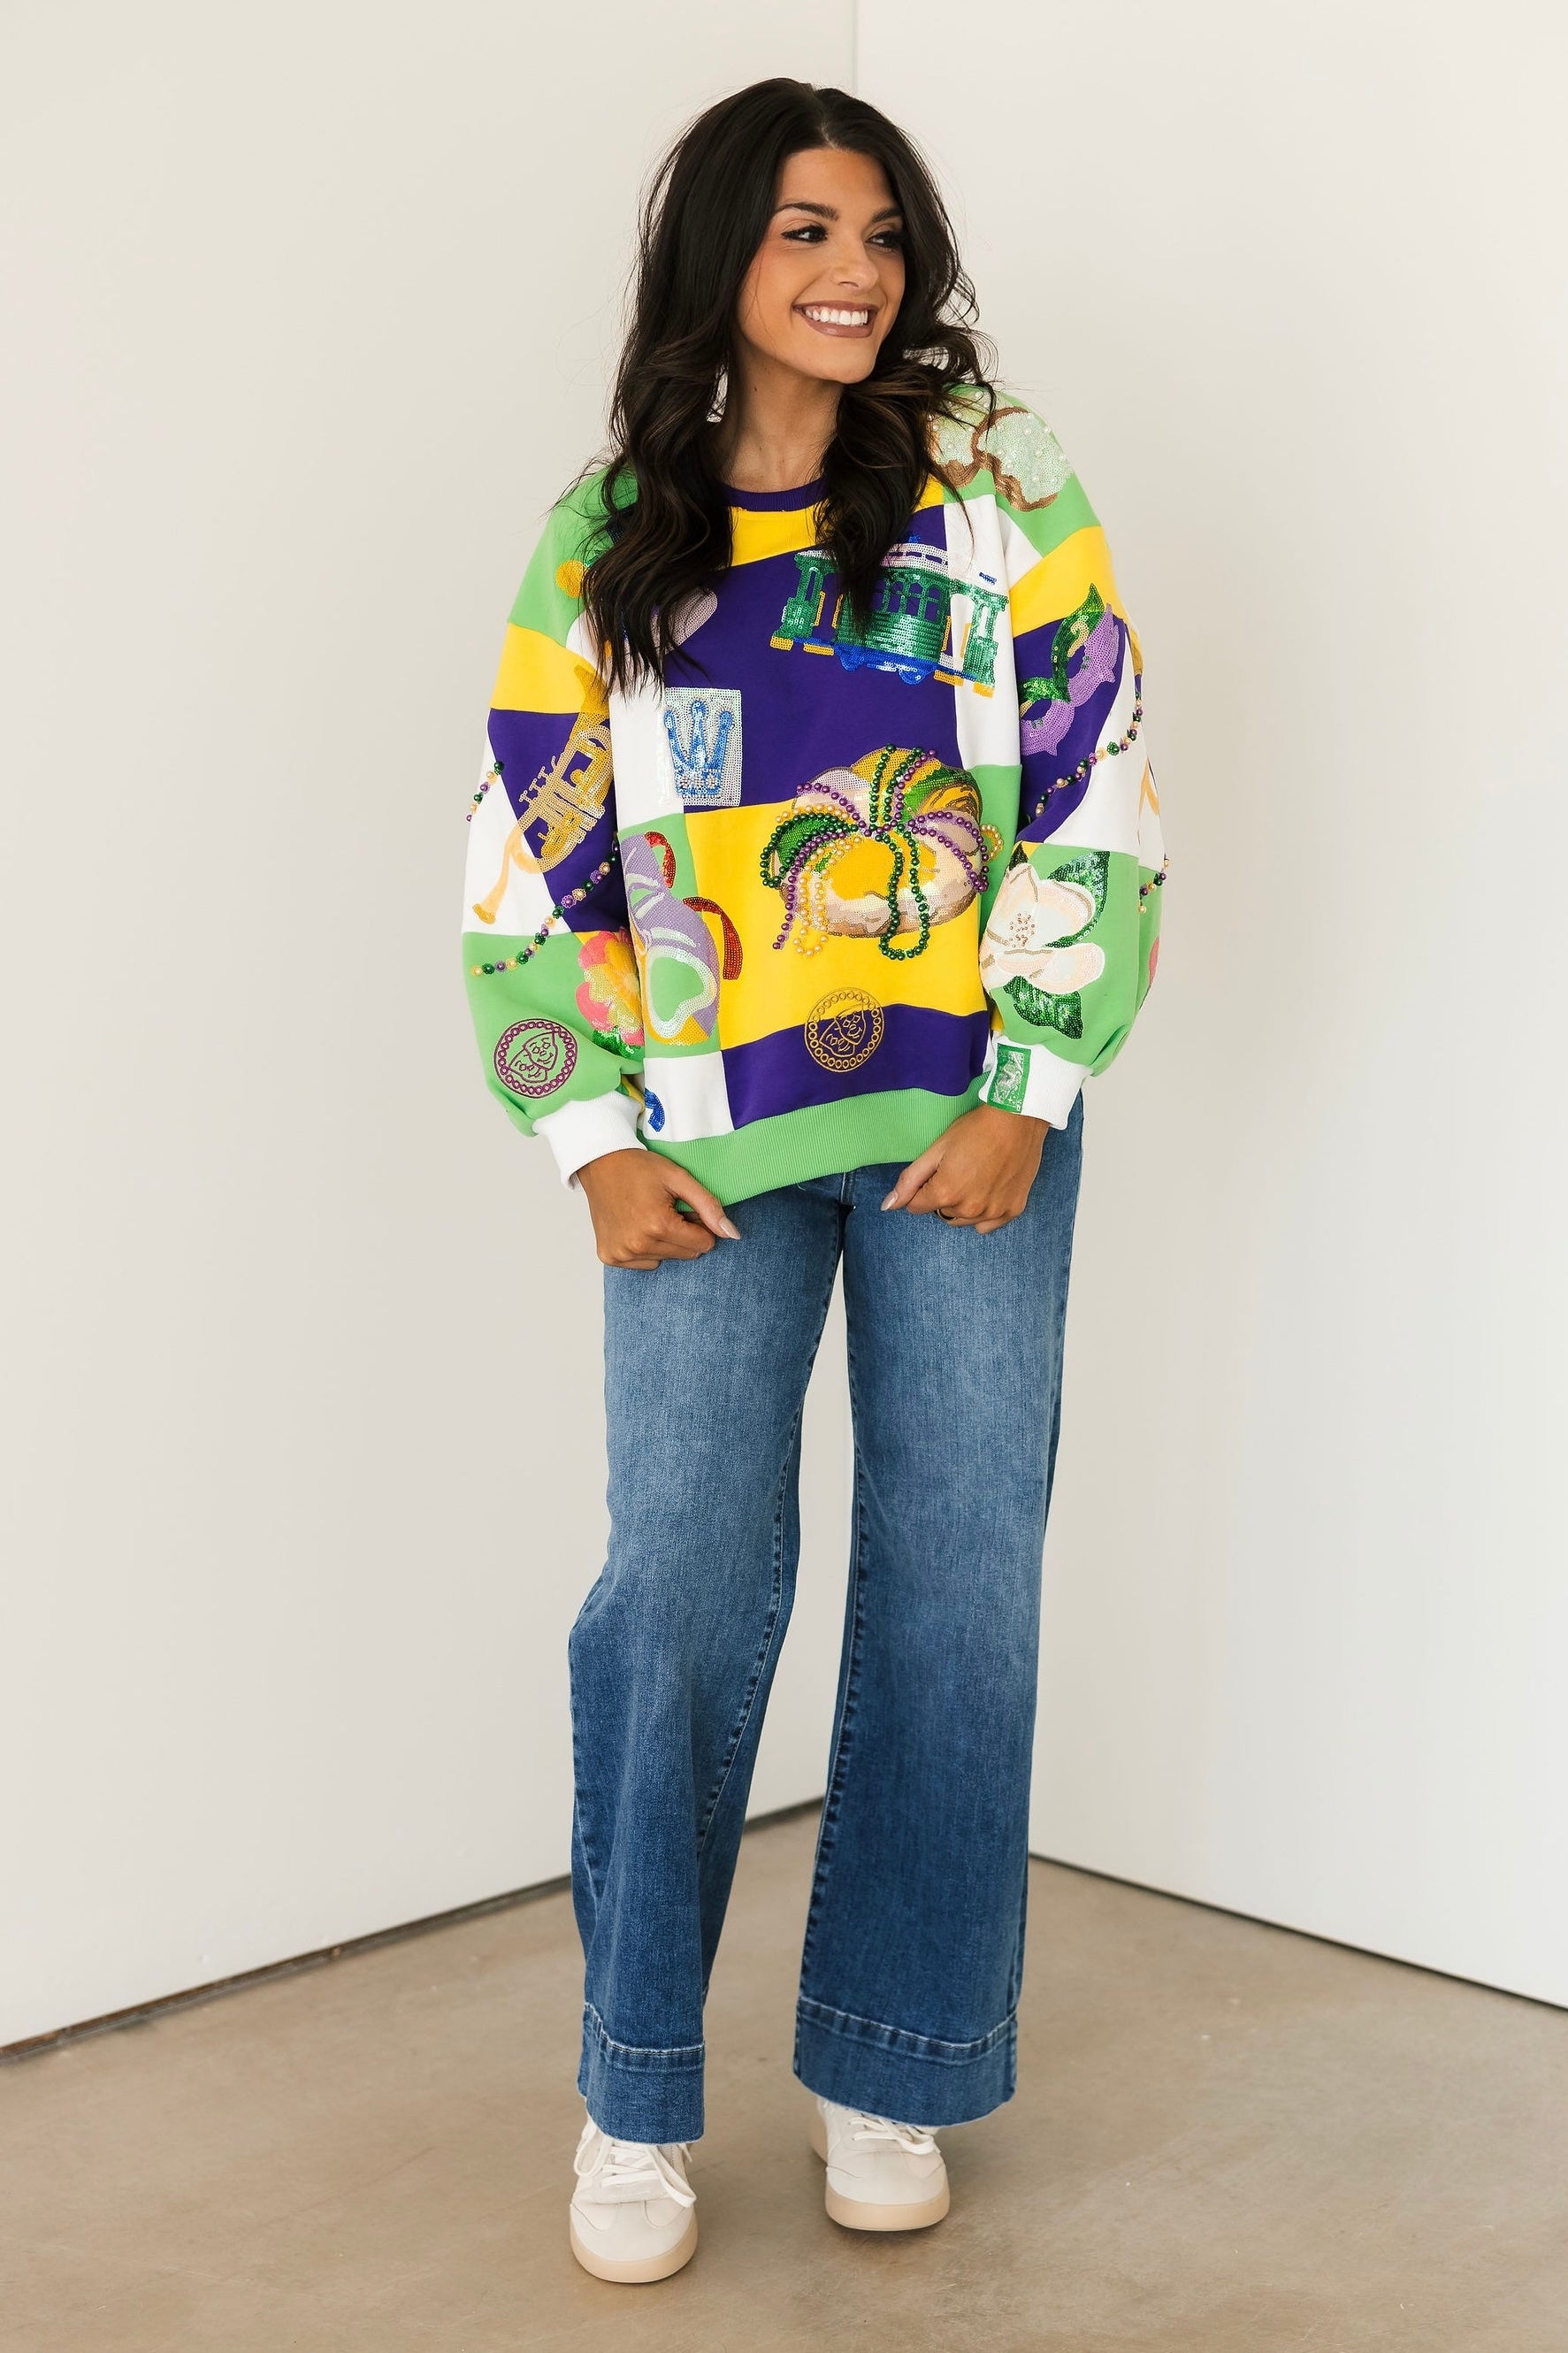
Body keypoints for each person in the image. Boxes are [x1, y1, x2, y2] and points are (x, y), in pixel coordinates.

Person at [459, 78, 1166, 2285]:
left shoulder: (990, 476)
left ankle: (891, 2056)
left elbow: (1094, 760)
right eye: (801, 232)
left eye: (876, 231)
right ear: (718, 261)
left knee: (958, 1586)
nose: (853, 271)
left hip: (963, 1124)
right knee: (673, 1585)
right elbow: (528, 839)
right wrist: (584, 1137)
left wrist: (1029, 1082)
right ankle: (631, 2088)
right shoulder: (608, 531)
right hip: (694, 1140)